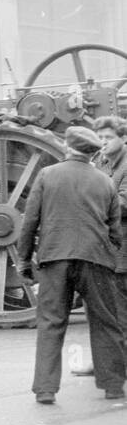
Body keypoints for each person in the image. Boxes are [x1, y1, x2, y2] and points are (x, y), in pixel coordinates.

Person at [17, 125, 126, 405]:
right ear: (93, 152)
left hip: (54, 258)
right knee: (105, 322)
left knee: (51, 322)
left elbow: (30, 222)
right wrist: (108, 254)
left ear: (67, 146)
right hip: (96, 259)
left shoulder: (47, 175)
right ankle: (113, 385)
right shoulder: (105, 181)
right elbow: (114, 230)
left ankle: (45, 389)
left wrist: (24, 260)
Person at [70, 116, 127, 378]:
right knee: (101, 313)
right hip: (103, 252)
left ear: (123, 138)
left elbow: (123, 203)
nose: (103, 142)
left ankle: (117, 366)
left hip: (122, 252)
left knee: (120, 313)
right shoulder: (102, 163)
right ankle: (105, 362)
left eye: (108, 138)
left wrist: (90, 203)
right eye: (100, 138)